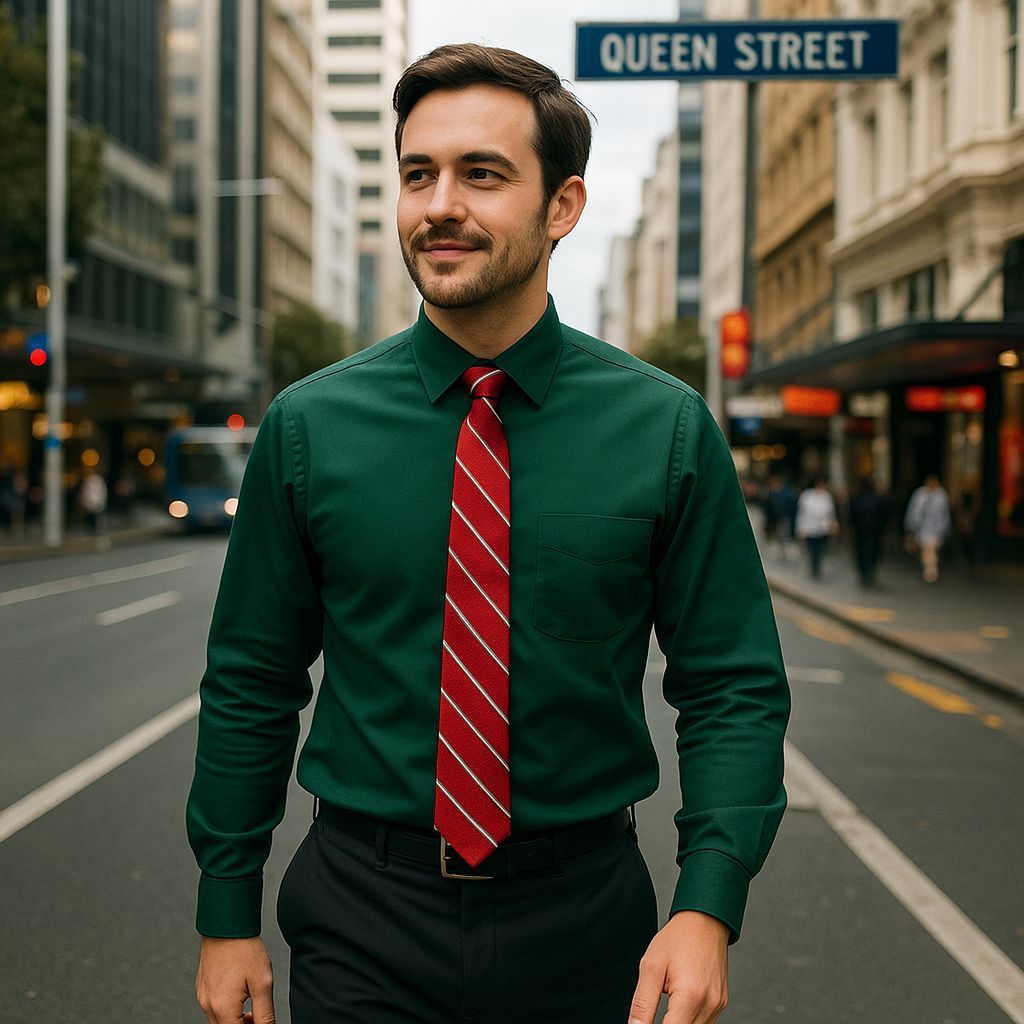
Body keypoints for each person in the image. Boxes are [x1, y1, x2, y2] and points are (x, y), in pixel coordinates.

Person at [187, 43, 790, 1024]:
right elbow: (253, 677)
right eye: (418, 173)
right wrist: (226, 912)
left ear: (562, 207)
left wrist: (707, 905)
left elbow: (731, 681)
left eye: (482, 174)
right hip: (361, 914)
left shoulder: (666, 429)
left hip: (587, 920)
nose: (439, 205)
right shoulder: (308, 426)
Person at [904, 474, 951, 582]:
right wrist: (912, 526)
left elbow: (944, 514)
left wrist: (944, 528)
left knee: (931, 549)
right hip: (922, 528)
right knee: (928, 549)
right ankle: (930, 570)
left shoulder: (941, 496)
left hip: (936, 529)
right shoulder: (920, 494)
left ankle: (930, 569)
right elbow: (914, 511)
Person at [848, 476, 890, 587]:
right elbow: (885, 516)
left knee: (862, 552)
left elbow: (852, 516)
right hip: (874, 532)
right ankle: (869, 572)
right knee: (872, 552)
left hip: (862, 532)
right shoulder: (878, 499)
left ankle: (865, 573)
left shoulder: (857, 499)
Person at [795, 478, 837, 579]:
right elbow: (801, 513)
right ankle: (813, 567)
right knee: (812, 549)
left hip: (822, 529)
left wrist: (833, 525)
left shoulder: (827, 497)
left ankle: (818, 568)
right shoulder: (807, 496)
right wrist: (800, 529)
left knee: (820, 549)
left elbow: (831, 513)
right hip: (809, 528)